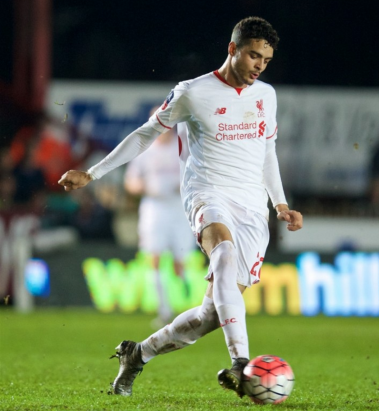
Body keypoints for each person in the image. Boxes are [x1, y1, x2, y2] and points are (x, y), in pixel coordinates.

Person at [58, 17, 303, 397]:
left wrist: (281, 203)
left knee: (209, 315)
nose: (259, 65)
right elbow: (145, 134)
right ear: (232, 49)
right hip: (207, 194)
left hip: (253, 207)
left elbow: (266, 150)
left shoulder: (266, 96)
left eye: (266, 60)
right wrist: (93, 173)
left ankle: (138, 354)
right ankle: (242, 363)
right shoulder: (192, 92)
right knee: (222, 252)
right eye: (253, 55)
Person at [123, 107, 195, 329]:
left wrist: (181, 185)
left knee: (180, 263)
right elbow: (130, 182)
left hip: (179, 208)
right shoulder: (145, 150)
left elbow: (196, 175)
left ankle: (189, 306)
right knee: (153, 258)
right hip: (154, 208)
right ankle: (164, 310)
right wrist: (144, 186)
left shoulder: (183, 146)